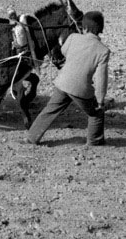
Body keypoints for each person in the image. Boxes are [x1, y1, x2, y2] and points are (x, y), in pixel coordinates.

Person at [26, 9, 109, 146]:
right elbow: (101, 79)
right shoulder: (103, 51)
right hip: (81, 90)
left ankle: (32, 137)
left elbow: (63, 51)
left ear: (84, 27)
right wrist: (100, 100)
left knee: (50, 110)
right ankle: (95, 141)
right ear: (101, 29)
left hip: (62, 83)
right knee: (96, 114)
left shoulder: (73, 38)